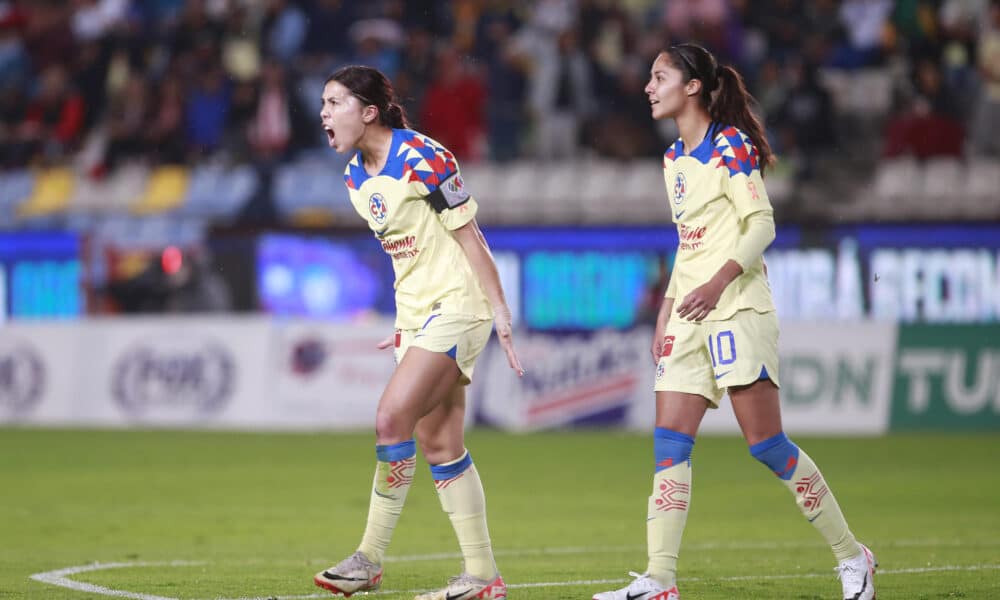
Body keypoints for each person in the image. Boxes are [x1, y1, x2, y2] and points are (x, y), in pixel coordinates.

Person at [592, 44, 876, 600]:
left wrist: (718, 282)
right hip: (690, 311)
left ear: (692, 86)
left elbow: (762, 223)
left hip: (738, 305)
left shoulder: (730, 146)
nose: (648, 87)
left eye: (659, 77)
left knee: (766, 443)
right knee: (669, 444)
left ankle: (853, 556)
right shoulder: (674, 159)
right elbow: (688, 242)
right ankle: (660, 580)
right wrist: (666, 308)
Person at [313, 65, 522, 600]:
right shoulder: (355, 179)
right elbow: (411, 256)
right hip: (419, 316)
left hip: (459, 307)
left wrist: (498, 308)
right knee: (440, 442)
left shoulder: (423, 157)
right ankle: (482, 577)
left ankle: (368, 559)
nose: (323, 114)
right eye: (322, 104)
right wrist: (405, 324)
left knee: (390, 417)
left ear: (368, 111)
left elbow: (470, 237)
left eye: (334, 103)